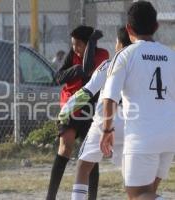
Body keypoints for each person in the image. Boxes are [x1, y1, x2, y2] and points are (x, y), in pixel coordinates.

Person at [100, 1, 175, 200]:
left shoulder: (125, 55)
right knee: (148, 193)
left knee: (139, 195)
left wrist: (107, 130)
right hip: (170, 136)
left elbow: (109, 99)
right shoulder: (171, 55)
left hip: (143, 138)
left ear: (129, 28)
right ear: (156, 26)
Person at [58, 26, 132, 200]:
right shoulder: (140, 66)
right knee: (132, 176)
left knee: (83, 166)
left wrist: (66, 109)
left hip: (105, 123)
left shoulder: (109, 64)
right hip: (131, 124)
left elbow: (87, 91)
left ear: (120, 44)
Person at [46, 25, 109, 200]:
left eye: (79, 44)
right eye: (73, 44)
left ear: (90, 44)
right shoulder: (72, 55)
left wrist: (92, 42)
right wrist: (76, 70)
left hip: (91, 108)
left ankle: (92, 197)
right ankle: (50, 197)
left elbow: (88, 68)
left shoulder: (102, 55)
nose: (75, 48)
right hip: (71, 105)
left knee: (90, 154)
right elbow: (58, 77)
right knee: (65, 147)